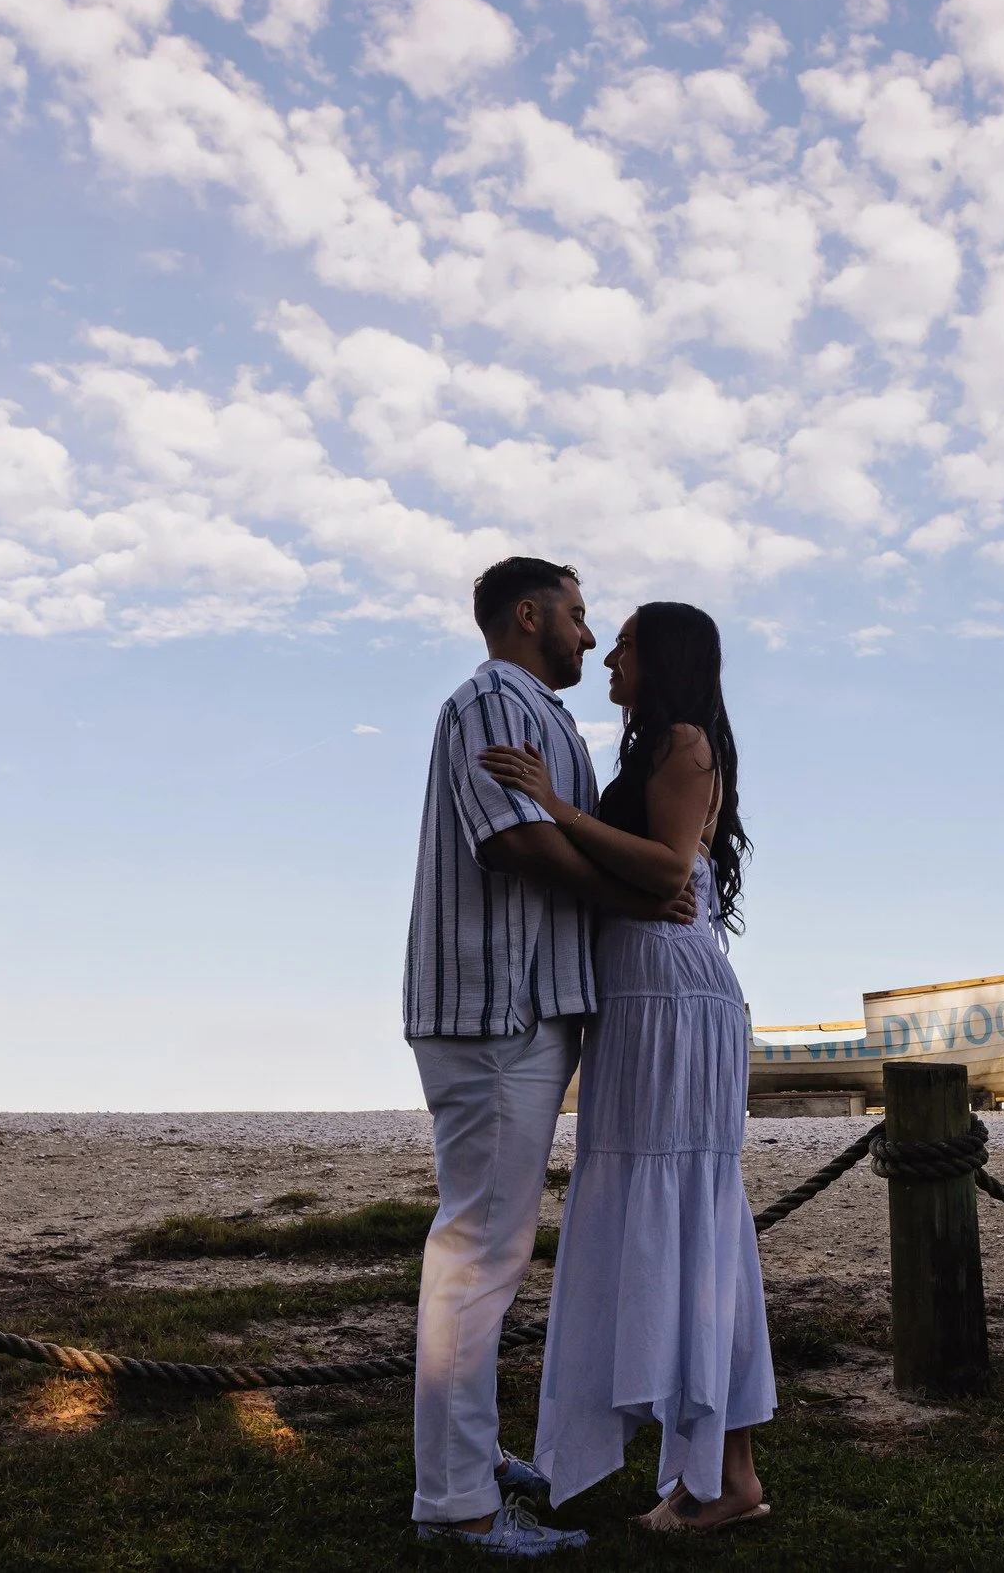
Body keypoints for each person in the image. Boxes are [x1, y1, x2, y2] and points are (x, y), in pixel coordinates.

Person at [404, 558, 695, 1558]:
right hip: (492, 1012)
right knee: (478, 1255)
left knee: (492, 1251)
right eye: (576, 617)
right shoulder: (491, 700)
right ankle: (458, 1507)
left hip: (522, 1014)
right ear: (527, 616)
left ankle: (475, 1466)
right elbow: (516, 845)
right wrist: (633, 899)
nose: (586, 635)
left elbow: (557, 835)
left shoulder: (542, 716)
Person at [480, 601, 774, 1532]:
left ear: (668, 657)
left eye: (630, 641)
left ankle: (727, 1477)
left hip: (677, 1003)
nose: (609, 651)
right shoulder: (654, 748)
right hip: (646, 1005)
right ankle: (723, 1475)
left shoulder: (684, 742)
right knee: (678, 1225)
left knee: (688, 1224)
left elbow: (669, 870)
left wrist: (553, 807)